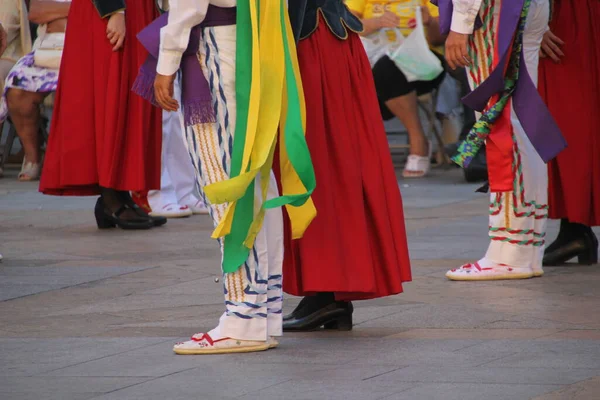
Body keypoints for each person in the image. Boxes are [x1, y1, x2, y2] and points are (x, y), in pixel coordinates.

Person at [150, 0, 316, 354]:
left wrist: (167, 60)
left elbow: (188, 5)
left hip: (218, 43)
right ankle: (261, 312)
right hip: (251, 39)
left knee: (226, 178)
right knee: (253, 176)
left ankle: (244, 315)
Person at [281, 0, 411, 331]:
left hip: (312, 43)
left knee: (321, 164)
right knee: (323, 163)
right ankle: (328, 291)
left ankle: (327, 290)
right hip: (318, 38)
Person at [439, 0, 566, 280]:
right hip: (522, 8)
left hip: (491, 12)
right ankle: (525, 247)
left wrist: (461, 23)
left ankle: (510, 252)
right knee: (518, 125)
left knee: (500, 125)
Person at [39, 0, 165, 230]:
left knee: (131, 98)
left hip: (138, 9)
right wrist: (113, 11)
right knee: (111, 96)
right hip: (112, 9)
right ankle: (110, 198)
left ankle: (121, 192)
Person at [346, 0, 446, 178]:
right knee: (350, 72)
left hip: (422, 62)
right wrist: (376, 22)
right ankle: (351, 149)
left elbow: (440, 37)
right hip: (373, 60)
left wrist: (429, 22)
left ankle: (418, 140)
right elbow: (345, 26)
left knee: (385, 69)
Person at [539, 0, 600, 266]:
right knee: (574, 118)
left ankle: (576, 230)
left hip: (574, 17)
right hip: (571, 14)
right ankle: (575, 227)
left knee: (574, 117)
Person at [0, 0, 65, 181]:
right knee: (17, 89)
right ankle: (32, 157)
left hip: (89, 50)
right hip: (47, 51)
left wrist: (56, 17)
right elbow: (37, 13)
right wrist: (81, 11)